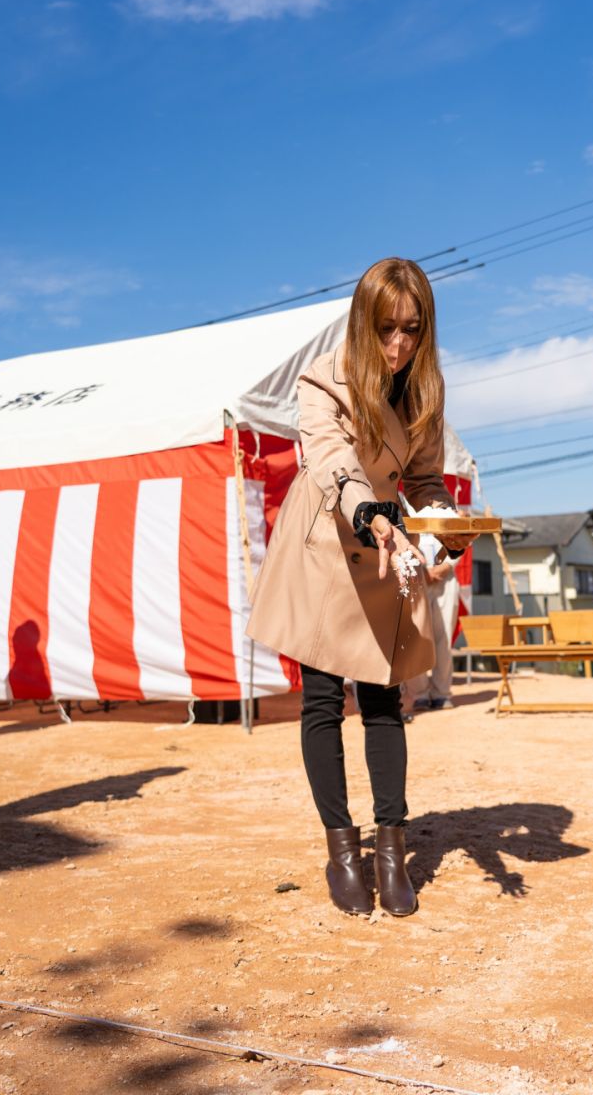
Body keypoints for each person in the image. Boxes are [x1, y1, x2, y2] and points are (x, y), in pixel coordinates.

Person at [246, 257, 473, 918]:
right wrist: (374, 515)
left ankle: (390, 850)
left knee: (384, 696)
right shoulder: (324, 379)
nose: (399, 345)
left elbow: (427, 478)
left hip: (387, 545)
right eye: (386, 329)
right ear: (361, 323)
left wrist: (446, 524)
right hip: (324, 537)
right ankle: (342, 850)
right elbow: (331, 458)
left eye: (412, 329)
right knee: (322, 700)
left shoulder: (425, 392)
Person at [402, 533, 461, 711]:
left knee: (444, 639)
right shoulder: (403, 506)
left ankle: (441, 694)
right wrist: (421, 570)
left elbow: (460, 540)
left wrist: (447, 565)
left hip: (446, 579)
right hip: (414, 576)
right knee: (416, 637)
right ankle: (419, 693)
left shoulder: (449, 508)